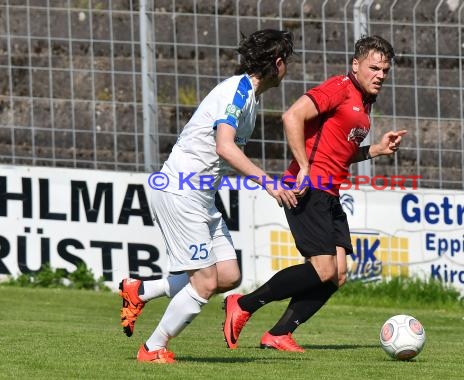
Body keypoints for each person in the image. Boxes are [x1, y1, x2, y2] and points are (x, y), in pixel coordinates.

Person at [119, 29, 297, 363]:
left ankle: (139, 291)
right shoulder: (238, 93)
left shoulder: (249, 96)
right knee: (204, 282)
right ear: (276, 64)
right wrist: (268, 182)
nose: (287, 68)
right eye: (285, 61)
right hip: (180, 192)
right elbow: (224, 146)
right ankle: (153, 348)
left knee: (228, 275)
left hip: (200, 198)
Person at [223, 35, 407, 352]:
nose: (380, 75)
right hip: (309, 188)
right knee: (323, 268)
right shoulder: (339, 87)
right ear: (356, 65)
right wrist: (304, 167)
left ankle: (279, 334)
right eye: (374, 68)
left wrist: (375, 150)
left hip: (330, 192)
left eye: (384, 70)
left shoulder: (363, 104)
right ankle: (244, 304)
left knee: (336, 275)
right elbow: (291, 116)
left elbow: (337, 153)